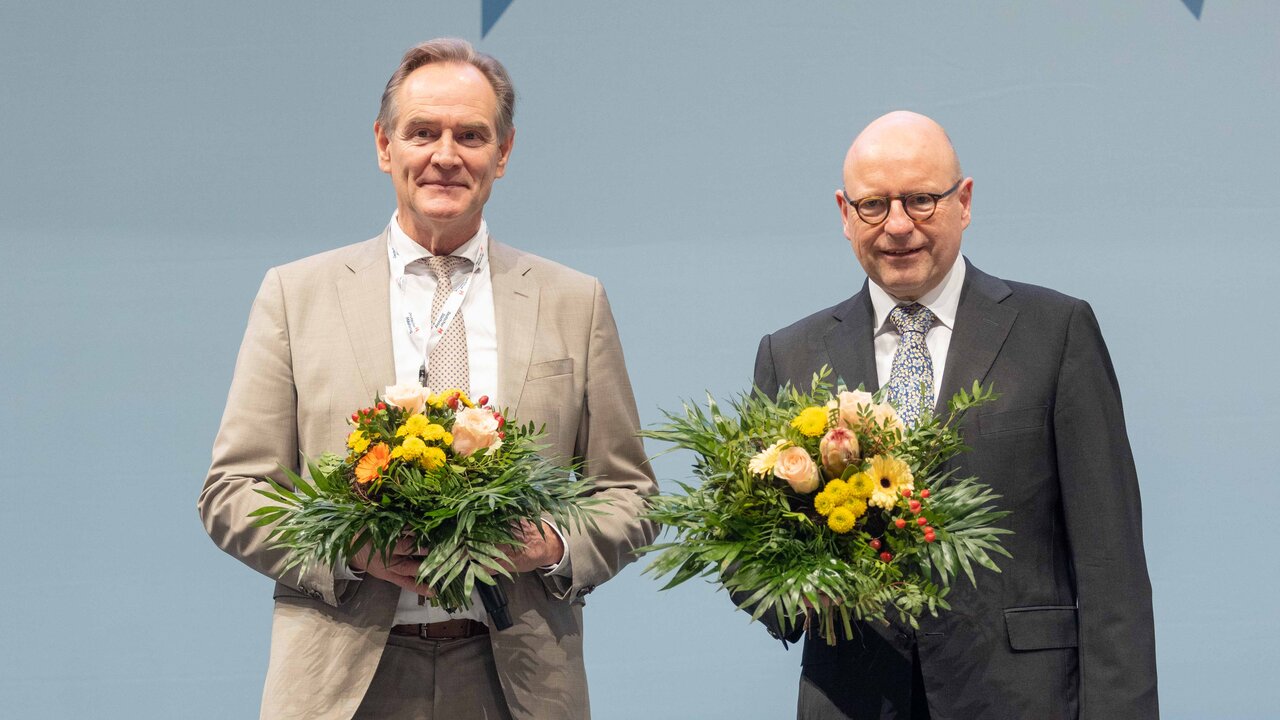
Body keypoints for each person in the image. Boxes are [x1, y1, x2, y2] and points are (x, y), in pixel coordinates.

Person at [198, 38, 656, 719]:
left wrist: (552, 545)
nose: (446, 155)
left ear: (503, 152)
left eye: (471, 135)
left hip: (517, 681)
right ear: (385, 146)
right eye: (422, 133)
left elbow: (629, 493)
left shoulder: (573, 301)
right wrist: (350, 550)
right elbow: (233, 492)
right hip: (341, 681)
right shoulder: (296, 296)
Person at [750, 111, 1158, 719]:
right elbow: (754, 555)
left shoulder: (1055, 332)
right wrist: (795, 592)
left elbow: (1111, 562)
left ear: (963, 202)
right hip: (854, 699)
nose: (897, 226)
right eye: (873, 205)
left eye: (921, 200)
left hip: (1020, 699)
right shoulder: (791, 354)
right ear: (844, 213)